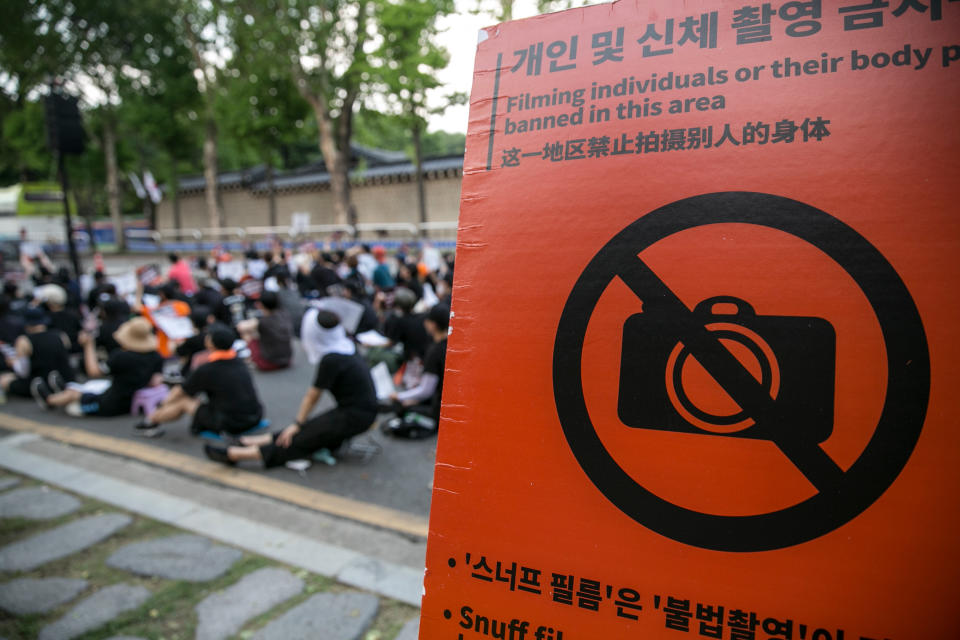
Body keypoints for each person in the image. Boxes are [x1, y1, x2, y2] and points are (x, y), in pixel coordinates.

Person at [204, 310, 377, 467]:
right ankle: (247, 441)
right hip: (358, 410)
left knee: (298, 438)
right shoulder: (346, 345)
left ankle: (235, 454)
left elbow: (312, 396)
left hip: (356, 416)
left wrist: (297, 423)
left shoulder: (332, 359)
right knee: (306, 429)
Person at [135, 324, 263, 438]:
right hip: (255, 415)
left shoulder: (207, 369)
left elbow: (180, 391)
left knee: (183, 401)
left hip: (231, 423)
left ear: (211, 343)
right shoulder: (239, 362)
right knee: (191, 398)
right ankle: (152, 419)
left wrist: (161, 405)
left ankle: (150, 421)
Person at [34, 317, 163, 417]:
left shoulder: (121, 357)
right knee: (90, 388)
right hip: (131, 402)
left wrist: (88, 346)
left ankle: (49, 400)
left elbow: (93, 371)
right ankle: (63, 390)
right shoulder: (156, 356)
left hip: (110, 405)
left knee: (73, 397)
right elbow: (155, 381)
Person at [381, 303, 449, 438]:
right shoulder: (448, 344)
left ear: (432, 325)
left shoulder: (434, 352)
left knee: (401, 408)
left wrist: (399, 396)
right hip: (443, 399)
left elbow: (426, 390)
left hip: (438, 406)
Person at [0, 307, 73, 403]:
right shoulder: (61, 335)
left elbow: (23, 372)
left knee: (4, 379)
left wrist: (13, 362)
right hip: (65, 381)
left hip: (38, 383)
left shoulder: (24, 341)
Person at [235, 291, 292, 371]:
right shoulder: (284, 314)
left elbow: (240, 327)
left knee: (248, 334)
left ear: (261, 304)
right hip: (287, 359)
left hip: (270, 363)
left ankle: (250, 357)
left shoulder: (263, 322)